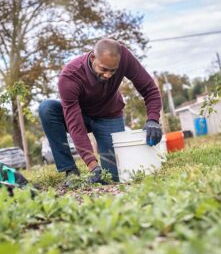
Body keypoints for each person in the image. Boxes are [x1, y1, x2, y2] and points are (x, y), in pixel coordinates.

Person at [38, 38, 162, 185]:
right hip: (81, 117)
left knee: (112, 177)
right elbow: (76, 126)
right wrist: (93, 166)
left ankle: (107, 171)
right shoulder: (70, 76)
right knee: (47, 108)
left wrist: (153, 119)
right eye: (103, 69)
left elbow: (150, 89)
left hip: (108, 115)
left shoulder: (124, 57)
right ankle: (70, 171)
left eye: (113, 71)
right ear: (92, 58)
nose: (108, 75)